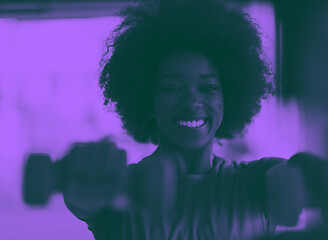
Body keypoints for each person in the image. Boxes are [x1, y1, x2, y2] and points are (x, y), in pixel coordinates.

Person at [63, 0, 328, 239]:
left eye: (208, 88)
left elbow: (291, 177)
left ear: (229, 97)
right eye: (172, 88)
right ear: (148, 100)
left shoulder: (257, 182)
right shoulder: (120, 186)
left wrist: (307, 176)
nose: (192, 102)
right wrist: (82, 179)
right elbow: (81, 199)